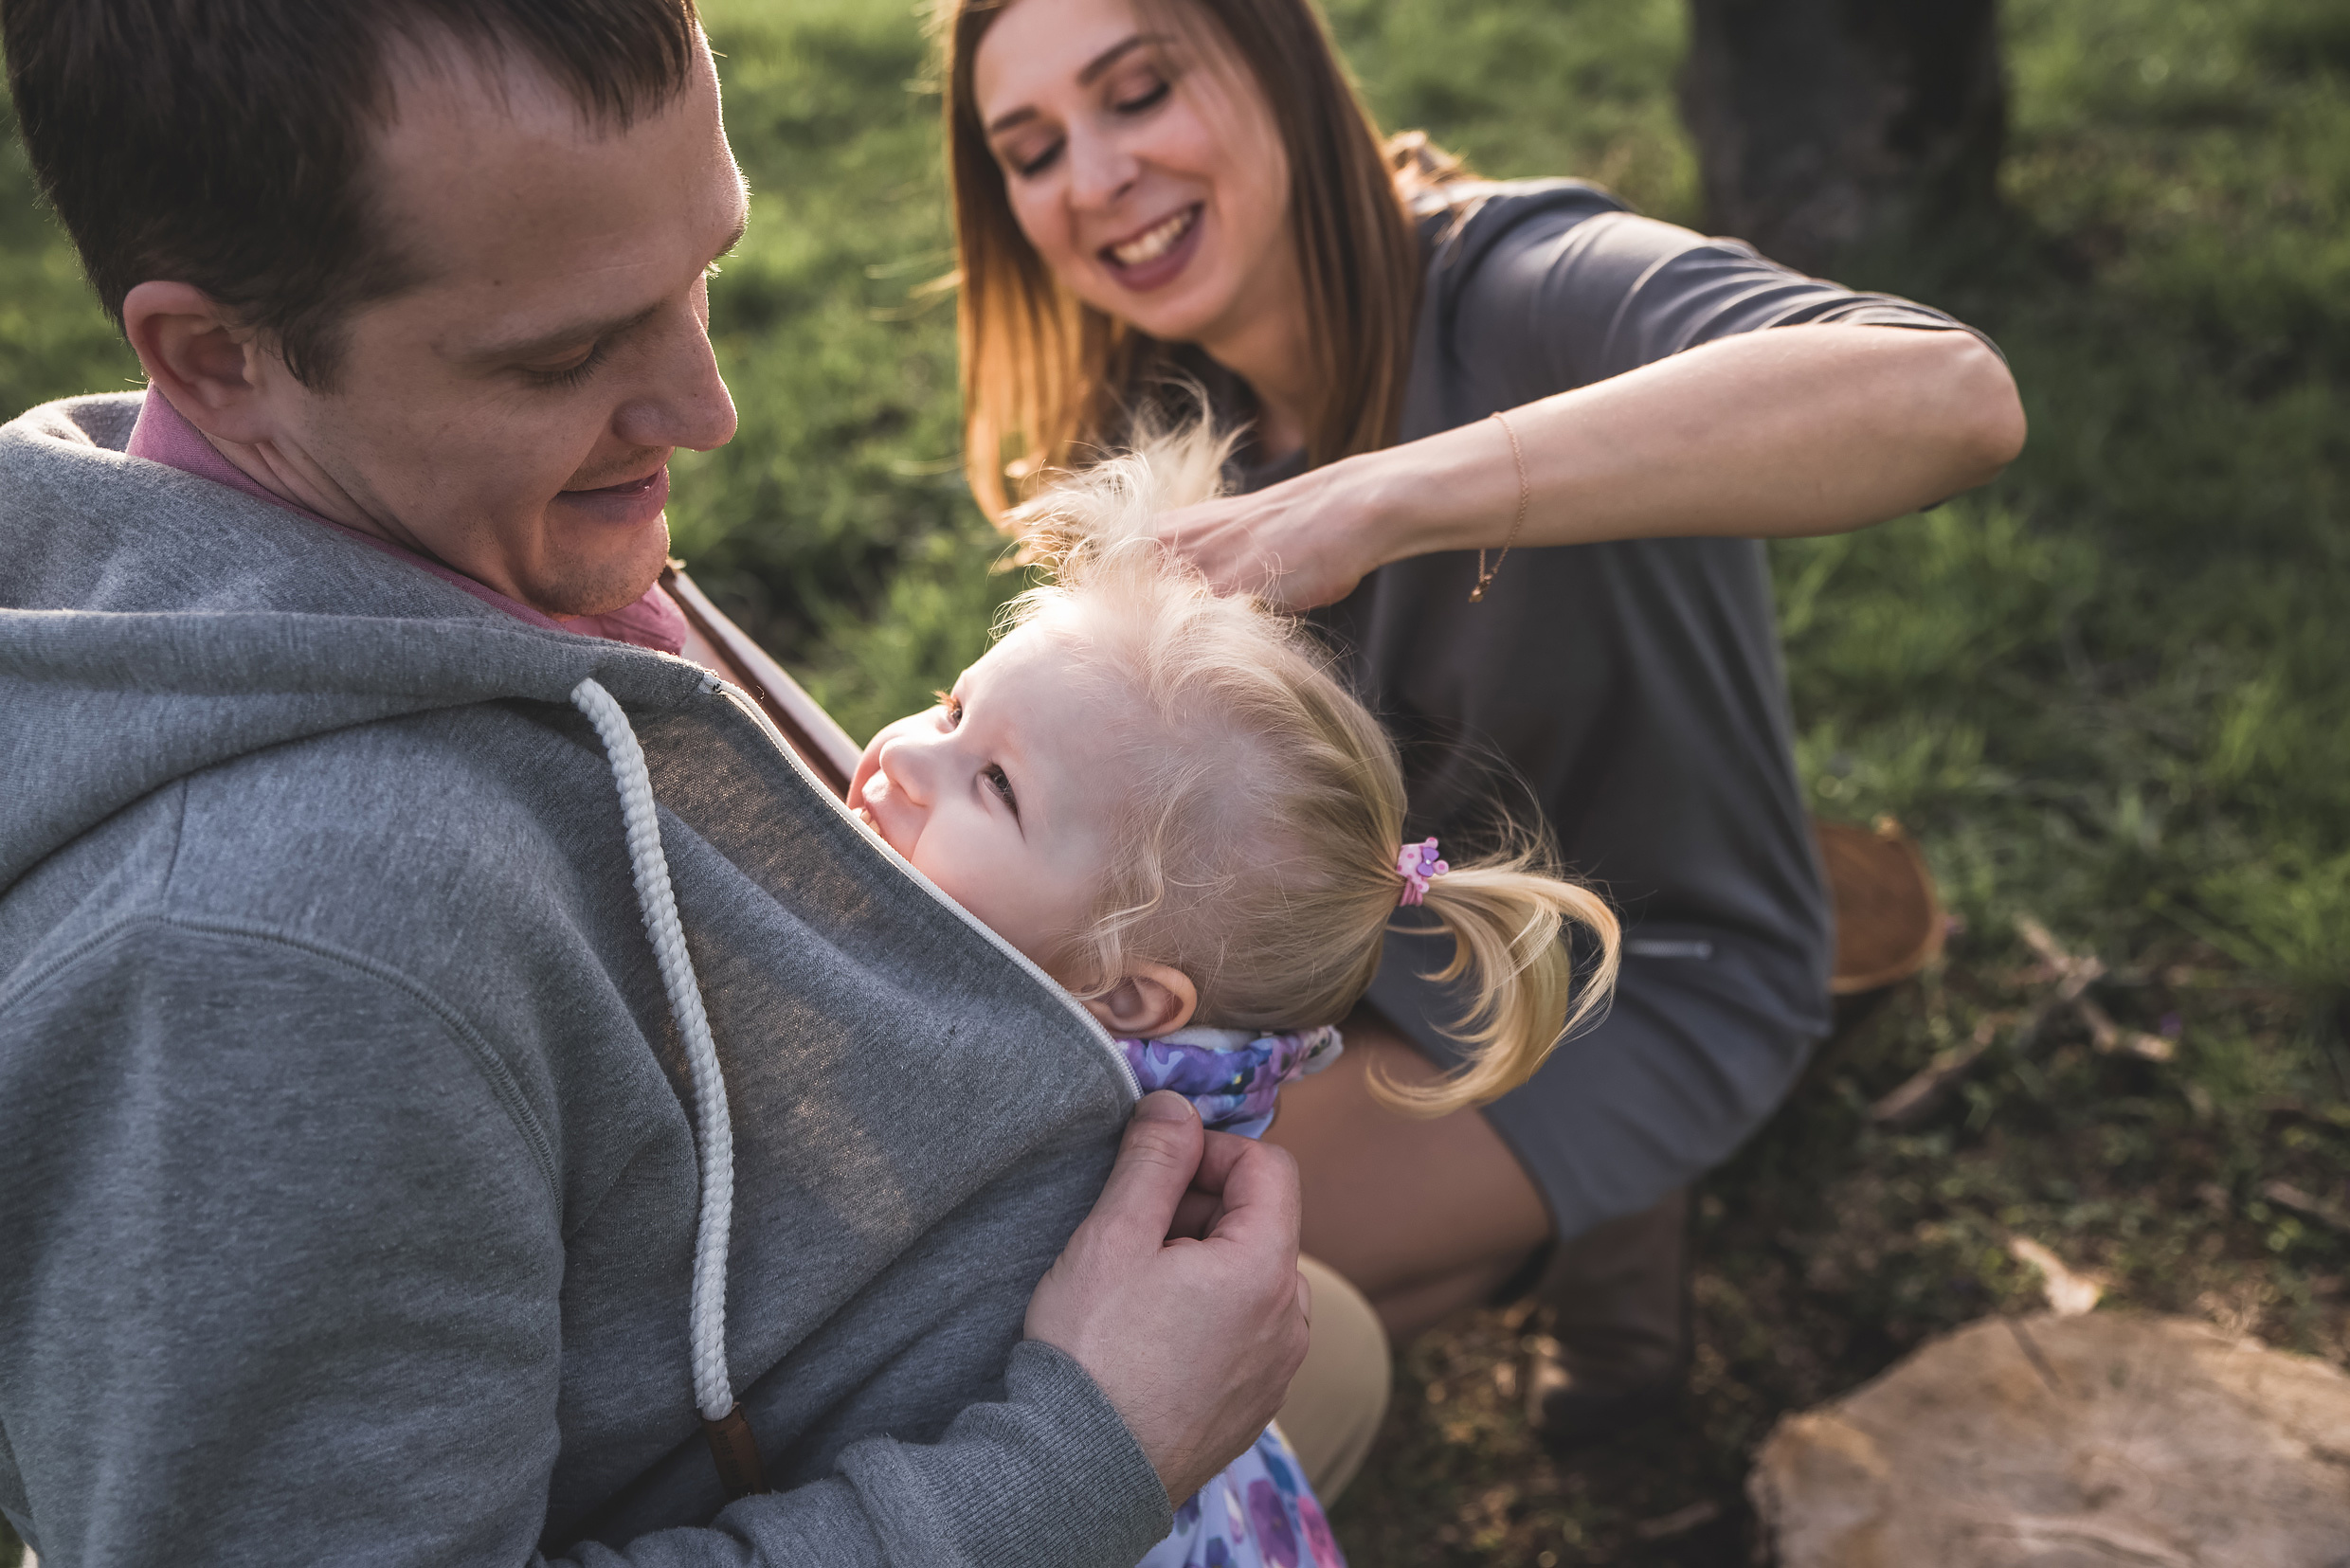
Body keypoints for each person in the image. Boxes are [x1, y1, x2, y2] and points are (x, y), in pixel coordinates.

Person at [0, 2, 1321, 1562]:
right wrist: (1090, 1448)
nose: (706, 411)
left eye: (699, 274)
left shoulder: (453, 518)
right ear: (218, 361)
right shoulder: (268, 955)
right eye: (563, 353)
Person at [939, 0, 2028, 1438]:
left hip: (1648, 963)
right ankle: (1581, 1234)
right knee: (1043, 1271)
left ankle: (1602, 1244)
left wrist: (1376, 496)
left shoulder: (1524, 285)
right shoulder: (1160, 398)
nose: (1090, 178)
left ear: (1279, 61)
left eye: (1137, 93)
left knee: (1134, 1313)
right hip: (1356, 960)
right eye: (1031, 150)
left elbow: (1950, 394)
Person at [841, 432, 1625, 1564]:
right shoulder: (1065, 994)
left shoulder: (1004, 1116)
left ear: (1125, 992)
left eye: (996, 785)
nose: (902, 759)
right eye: (949, 706)